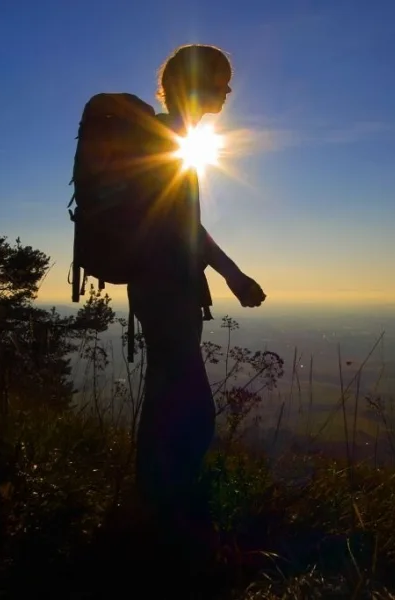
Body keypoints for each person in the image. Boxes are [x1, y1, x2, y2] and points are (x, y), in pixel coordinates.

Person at [128, 44, 266, 562]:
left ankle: (151, 512)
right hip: (167, 290)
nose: (228, 91)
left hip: (160, 287)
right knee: (191, 411)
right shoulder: (167, 139)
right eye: (221, 80)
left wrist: (228, 275)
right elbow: (187, 228)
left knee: (167, 399)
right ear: (196, 83)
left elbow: (185, 226)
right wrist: (233, 275)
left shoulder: (167, 136)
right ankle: (173, 524)